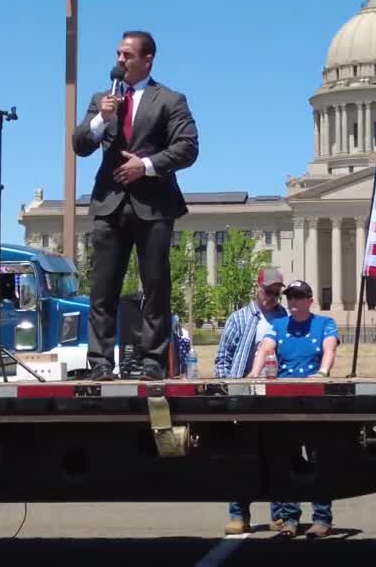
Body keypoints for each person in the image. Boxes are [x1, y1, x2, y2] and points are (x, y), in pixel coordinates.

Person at [72, 30, 199, 381]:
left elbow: (188, 147)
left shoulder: (170, 99)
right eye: (118, 54)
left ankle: (152, 363)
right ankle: (99, 364)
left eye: (127, 55)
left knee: (155, 287)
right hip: (109, 205)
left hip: (153, 205)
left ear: (147, 60)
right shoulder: (102, 99)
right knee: (102, 288)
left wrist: (143, 166)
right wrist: (101, 119)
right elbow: (79, 144)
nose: (120, 61)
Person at [248, 280, 339, 538]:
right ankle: (289, 519)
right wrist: (254, 374)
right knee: (286, 460)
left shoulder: (324, 323)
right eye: (290, 297)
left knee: (317, 459)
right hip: (284, 400)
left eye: (299, 297)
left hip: (314, 399)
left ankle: (321, 518)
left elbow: (329, 347)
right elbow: (265, 348)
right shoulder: (278, 325)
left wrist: (322, 372)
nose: (293, 302)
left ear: (310, 300)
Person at [216, 267, 290, 535]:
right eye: (268, 291)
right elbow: (222, 359)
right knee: (242, 456)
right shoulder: (239, 318)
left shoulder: (284, 318)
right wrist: (228, 390)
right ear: (257, 289)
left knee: (276, 454)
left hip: (274, 396)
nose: (272, 297)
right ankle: (238, 514)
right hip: (243, 394)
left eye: (276, 293)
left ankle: (279, 514)